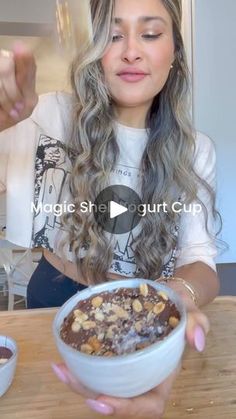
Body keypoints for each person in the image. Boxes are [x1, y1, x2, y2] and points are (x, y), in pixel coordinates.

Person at [0, 0, 221, 417]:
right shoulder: (44, 115)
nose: (131, 50)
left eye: (151, 34)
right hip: (55, 294)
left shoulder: (196, 151)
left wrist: (179, 296)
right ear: (92, 51)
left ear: (174, 53)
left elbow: (199, 260)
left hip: (150, 304)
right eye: (113, 36)